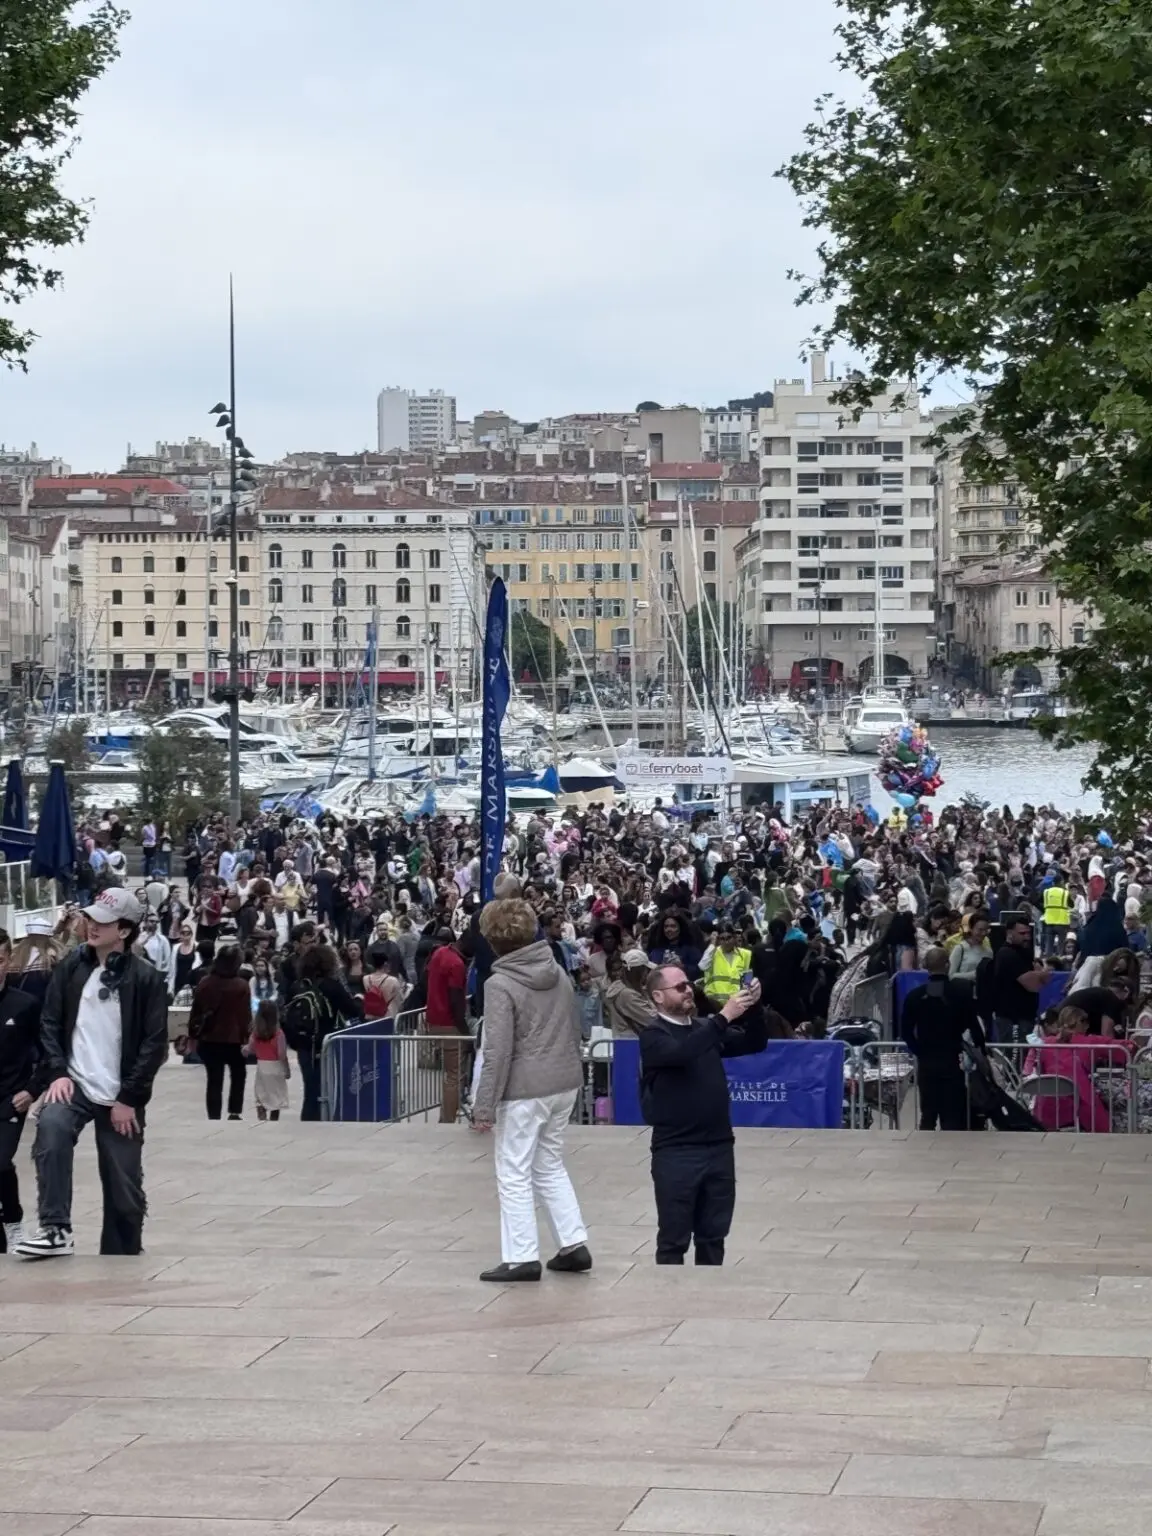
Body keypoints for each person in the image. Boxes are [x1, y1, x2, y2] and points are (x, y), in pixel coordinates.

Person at [17, 887, 167, 1259]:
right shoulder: (71, 966)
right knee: (51, 1128)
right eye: (90, 918)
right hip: (75, 1083)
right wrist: (57, 1073)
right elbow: (50, 1022)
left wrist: (128, 1098)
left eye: (103, 920)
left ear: (125, 930)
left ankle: (122, 1254)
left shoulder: (146, 978)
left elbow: (154, 1045)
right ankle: (55, 1229)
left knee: (123, 1185)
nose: (92, 925)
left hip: (121, 1092)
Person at [471, 898, 590, 1283]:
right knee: (549, 1163)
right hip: (563, 1080)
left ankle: (521, 1256)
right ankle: (573, 1243)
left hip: (524, 1088)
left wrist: (483, 1106)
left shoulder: (499, 984)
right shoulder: (557, 972)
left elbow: (497, 1049)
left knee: (513, 1170)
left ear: (492, 940)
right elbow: (573, 1026)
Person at [638, 964, 766, 1265]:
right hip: (676, 1151)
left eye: (689, 985)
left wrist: (754, 1007)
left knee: (713, 1236)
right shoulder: (653, 1034)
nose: (688, 991)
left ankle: (710, 1290)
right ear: (658, 996)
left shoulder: (703, 1029)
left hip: (719, 1147)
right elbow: (681, 1053)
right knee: (674, 1239)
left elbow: (754, 1042)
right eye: (679, 987)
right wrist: (723, 1017)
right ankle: (669, 1292)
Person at [901, 947, 983, 1130]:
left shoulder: (915, 996)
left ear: (926, 966)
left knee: (928, 1114)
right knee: (952, 1115)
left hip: (927, 1061)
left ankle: (925, 1144)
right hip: (952, 1059)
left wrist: (918, 1049)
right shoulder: (960, 993)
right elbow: (974, 1026)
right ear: (948, 965)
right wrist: (981, 1052)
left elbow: (905, 1030)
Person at [288, 942, 362, 1120]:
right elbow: (353, 1010)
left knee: (310, 1090)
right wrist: (359, 1000)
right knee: (324, 1088)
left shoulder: (298, 986)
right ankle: (322, 1121)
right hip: (325, 1043)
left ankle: (308, 1122)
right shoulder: (331, 985)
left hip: (303, 1044)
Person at [0, 929, 41, 1252]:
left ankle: (13, 1221)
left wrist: (31, 1090)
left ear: (9, 960)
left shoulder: (24, 1005)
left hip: (10, 1100)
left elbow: (49, 1052)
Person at [187, 944, 252, 1121]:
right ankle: (234, 1111)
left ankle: (214, 1114)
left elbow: (196, 1011)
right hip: (234, 1039)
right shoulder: (241, 985)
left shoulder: (205, 982)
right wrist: (247, 1037)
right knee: (238, 1075)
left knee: (214, 1079)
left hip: (210, 1037)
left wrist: (193, 1035)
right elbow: (244, 1015)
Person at [989, 916, 1049, 1044]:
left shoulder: (1025, 952)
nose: (1027, 937)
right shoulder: (1006, 954)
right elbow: (1033, 985)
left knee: (1024, 1053)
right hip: (1011, 1017)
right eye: (1022, 933)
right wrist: (1040, 973)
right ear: (1010, 933)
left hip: (1026, 1015)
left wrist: (1038, 974)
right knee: (1014, 1053)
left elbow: (1045, 979)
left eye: (1028, 933)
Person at [248, 999, 290, 1122]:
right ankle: (274, 1119)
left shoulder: (256, 1033)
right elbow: (282, 1054)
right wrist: (287, 1069)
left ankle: (261, 1115)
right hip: (276, 1067)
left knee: (261, 1093)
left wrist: (244, 1050)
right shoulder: (278, 1033)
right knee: (275, 1095)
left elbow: (251, 1048)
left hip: (262, 1066)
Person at [603, 948, 657, 1037]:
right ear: (639, 972)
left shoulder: (631, 989)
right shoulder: (627, 994)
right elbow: (653, 1020)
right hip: (631, 1041)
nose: (647, 973)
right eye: (645, 970)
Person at [701, 923, 753, 1006]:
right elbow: (702, 966)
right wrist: (712, 943)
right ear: (718, 940)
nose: (726, 942)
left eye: (729, 937)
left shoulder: (745, 954)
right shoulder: (712, 953)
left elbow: (747, 982)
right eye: (722, 939)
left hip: (737, 1004)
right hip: (714, 1004)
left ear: (734, 937)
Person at [1041, 869, 1073, 957]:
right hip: (1061, 922)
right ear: (1062, 882)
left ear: (1053, 882)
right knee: (1061, 945)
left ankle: (1048, 961)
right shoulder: (1065, 892)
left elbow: (1037, 901)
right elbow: (1072, 904)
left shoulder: (1046, 892)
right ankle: (1059, 961)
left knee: (1049, 946)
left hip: (1049, 921)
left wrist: (1044, 909)